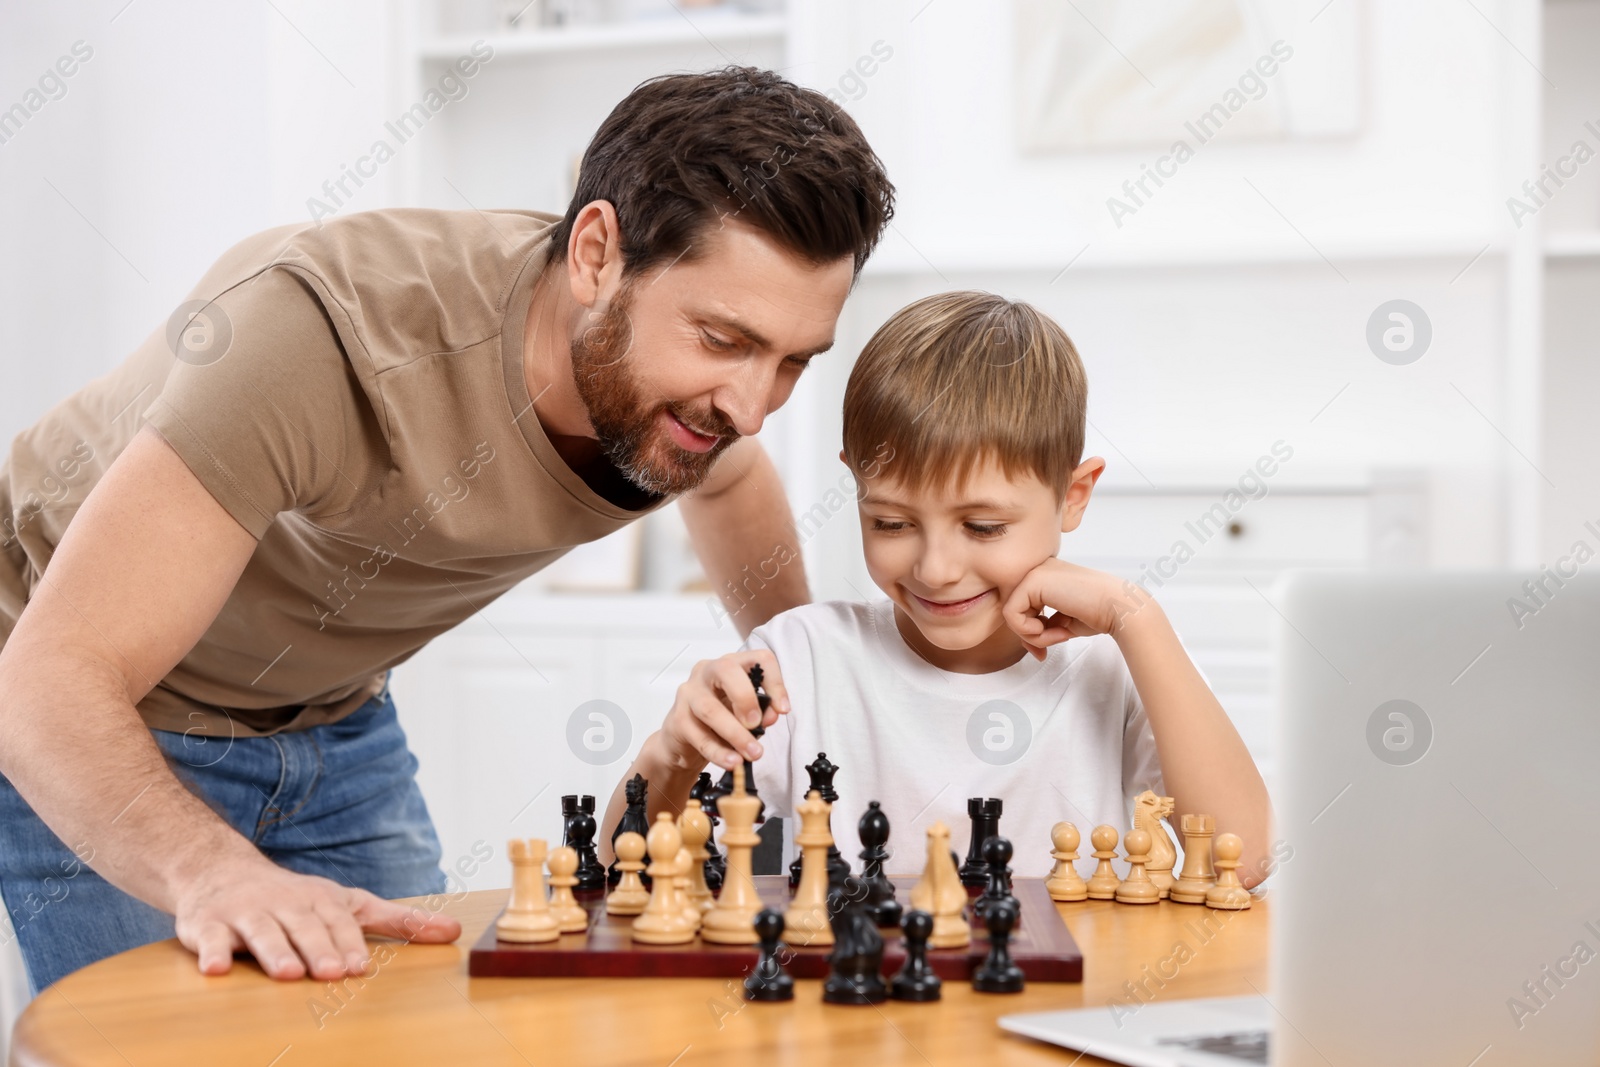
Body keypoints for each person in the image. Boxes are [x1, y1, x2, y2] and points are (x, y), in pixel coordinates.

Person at [0, 66, 894, 992]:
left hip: (337, 716)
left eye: (792, 361)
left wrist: (799, 679)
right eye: (723, 340)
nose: (753, 407)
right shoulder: (313, 337)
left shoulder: (690, 405)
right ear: (595, 255)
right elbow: (46, 678)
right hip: (86, 700)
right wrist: (214, 870)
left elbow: (731, 479)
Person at [603, 291, 1272, 883]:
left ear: (1073, 496)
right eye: (890, 521)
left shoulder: (1113, 665)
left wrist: (1137, 616)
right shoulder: (802, 658)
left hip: (1054, 1015)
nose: (936, 568)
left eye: (982, 526)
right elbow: (616, 867)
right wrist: (674, 749)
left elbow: (1243, 861)